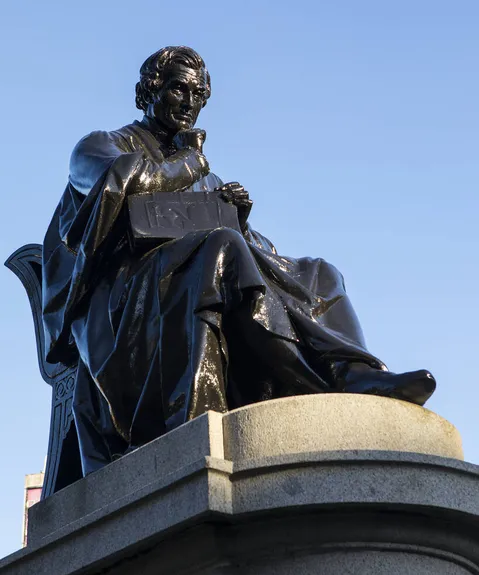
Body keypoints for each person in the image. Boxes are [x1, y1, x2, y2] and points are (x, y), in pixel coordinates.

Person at [42, 46, 436, 476]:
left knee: (319, 271)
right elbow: (123, 188)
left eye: (198, 94)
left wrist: (240, 221)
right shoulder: (100, 146)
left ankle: (353, 369)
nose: (190, 103)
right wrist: (193, 164)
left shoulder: (204, 175)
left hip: (194, 272)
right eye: (178, 89)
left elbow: (251, 251)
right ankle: (328, 383)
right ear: (150, 90)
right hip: (125, 300)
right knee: (222, 248)